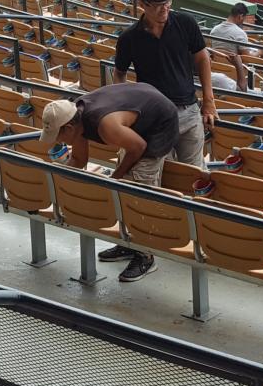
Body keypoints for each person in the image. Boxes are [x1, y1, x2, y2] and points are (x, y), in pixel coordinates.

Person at [40, 81, 179, 283]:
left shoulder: (105, 125)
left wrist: (115, 178)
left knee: (135, 192)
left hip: (159, 125)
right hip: (138, 116)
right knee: (121, 187)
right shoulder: (76, 118)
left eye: (58, 136)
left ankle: (145, 256)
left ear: (68, 128)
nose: (58, 142)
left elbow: (138, 147)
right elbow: (79, 160)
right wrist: (60, 184)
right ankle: (129, 243)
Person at [114, 0, 215, 173]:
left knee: (194, 173)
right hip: (155, 118)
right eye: (158, 5)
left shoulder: (186, 23)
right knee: (164, 173)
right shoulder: (129, 38)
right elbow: (120, 74)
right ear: (142, 4)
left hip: (189, 110)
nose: (165, 9)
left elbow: (203, 58)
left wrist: (209, 101)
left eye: (168, 2)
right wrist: (126, 108)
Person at [208, 0, 254, 87]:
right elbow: (247, 58)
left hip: (215, 71)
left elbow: (211, 51)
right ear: (240, 16)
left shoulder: (214, 29)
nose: (243, 22)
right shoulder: (241, 33)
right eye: (244, 19)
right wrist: (258, 53)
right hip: (236, 77)